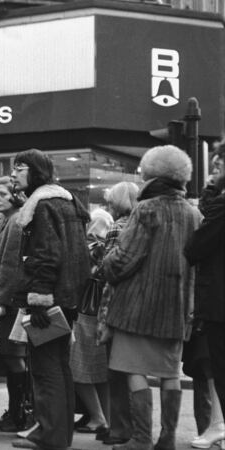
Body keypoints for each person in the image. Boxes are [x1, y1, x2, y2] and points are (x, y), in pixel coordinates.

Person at [102, 145, 201, 450]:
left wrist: (105, 261)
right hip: (177, 307)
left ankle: (141, 439)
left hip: (138, 308)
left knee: (135, 369)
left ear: (150, 173)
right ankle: (167, 437)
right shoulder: (193, 213)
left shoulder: (146, 209)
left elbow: (124, 259)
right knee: (170, 372)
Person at [9, 149, 90, 450]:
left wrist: (39, 299)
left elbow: (45, 254)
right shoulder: (66, 202)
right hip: (67, 298)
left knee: (45, 368)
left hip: (47, 299)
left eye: (20, 168)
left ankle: (50, 435)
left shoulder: (41, 206)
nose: (15, 173)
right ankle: (58, 432)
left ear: (36, 172)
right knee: (59, 365)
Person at [185, 144, 225, 449]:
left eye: (218, 166)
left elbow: (195, 248)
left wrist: (212, 195)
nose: (213, 172)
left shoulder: (220, 209)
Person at [96, 181, 140, 446]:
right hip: (137, 306)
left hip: (114, 306)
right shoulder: (141, 225)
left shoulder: (117, 227)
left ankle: (120, 427)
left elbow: (107, 270)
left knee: (116, 371)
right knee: (134, 370)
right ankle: (135, 426)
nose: (108, 204)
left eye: (112, 199)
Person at [0, 177, 28, 432]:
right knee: (10, 358)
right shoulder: (5, 222)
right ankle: (15, 412)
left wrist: (1, 302)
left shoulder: (15, 222)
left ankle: (18, 414)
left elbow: (10, 264)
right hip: (6, 299)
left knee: (15, 359)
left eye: (2, 194)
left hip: (10, 302)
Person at [70, 208, 113, 438]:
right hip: (99, 313)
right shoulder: (110, 245)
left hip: (85, 312)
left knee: (78, 367)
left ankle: (97, 417)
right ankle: (105, 417)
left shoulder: (91, 249)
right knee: (99, 371)